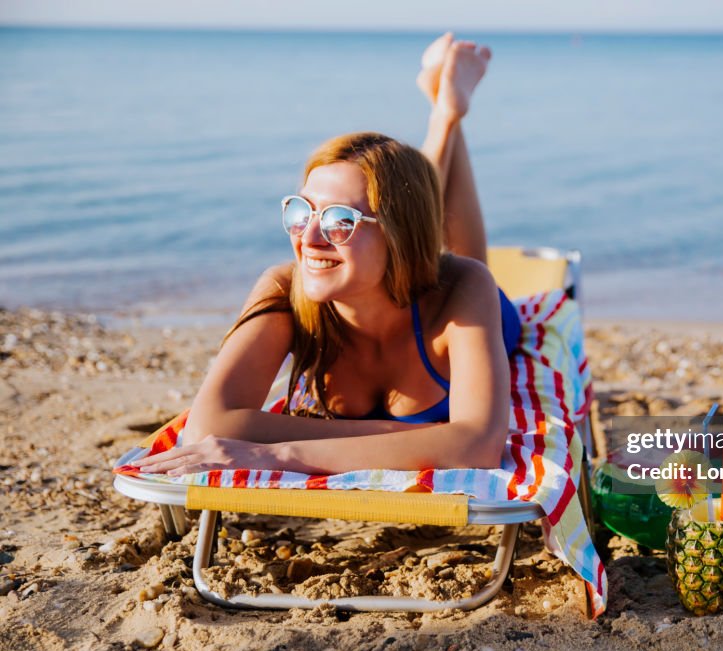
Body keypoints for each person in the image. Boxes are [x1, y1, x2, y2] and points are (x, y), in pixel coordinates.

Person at [135, 35, 518, 477]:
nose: (309, 238)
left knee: (454, 255)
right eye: (301, 211)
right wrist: (427, 440)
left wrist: (273, 453)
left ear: (396, 237)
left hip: (446, 296)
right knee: (413, 202)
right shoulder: (283, 287)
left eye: (340, 220)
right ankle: (446, 110)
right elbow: (208, 427)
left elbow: (478, 445)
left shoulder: (465, 288)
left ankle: (447, 114)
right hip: (406, 252)